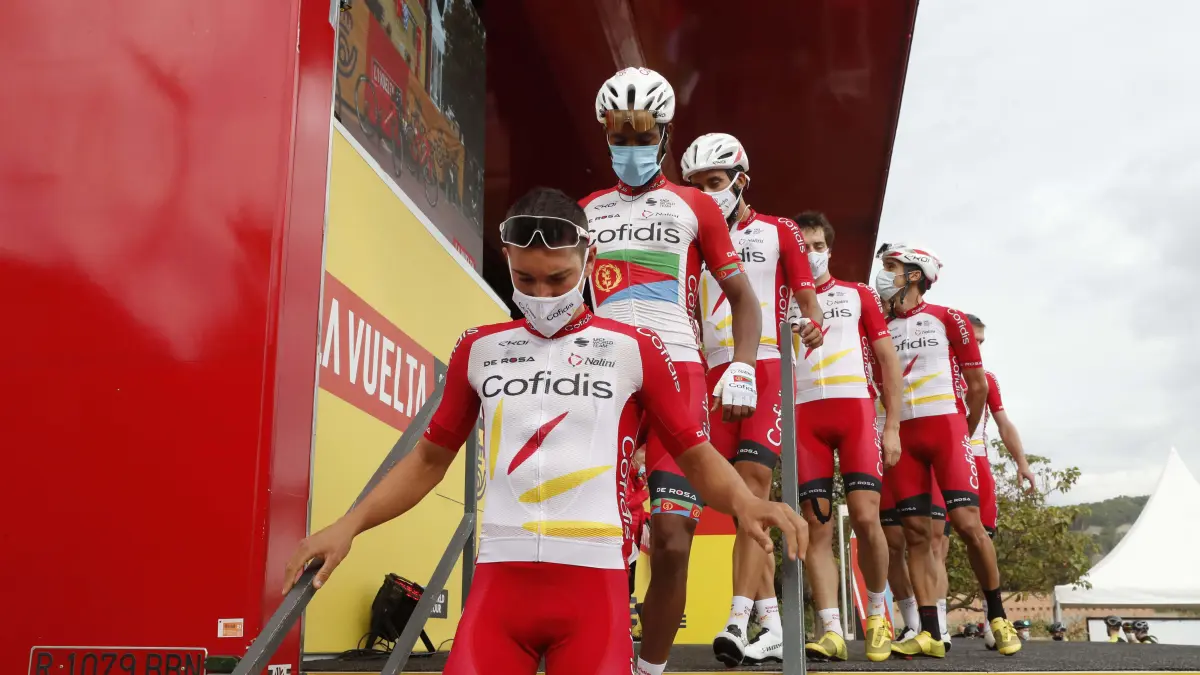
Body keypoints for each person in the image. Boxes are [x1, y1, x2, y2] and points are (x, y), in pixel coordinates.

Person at [281, 188, 808, 675]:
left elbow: (693, 452)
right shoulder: (479, 349)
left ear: (590, 263)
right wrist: (349, 525)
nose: (541, 294)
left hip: (593, 595)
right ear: (508, 261)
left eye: (558, 279)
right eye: (525, 279)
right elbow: (426, 461)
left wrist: (745, 502)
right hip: (498, 592)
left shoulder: (635, 348)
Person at [581, 68, 768, 675]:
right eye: (620, 136)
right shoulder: (585, 211)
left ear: (663, 136)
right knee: (598, 531)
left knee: (671, 539)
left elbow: (743, 299)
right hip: (605, 375)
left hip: (679, 375)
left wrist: (742, 366)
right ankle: (603, 657)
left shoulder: (695, 205)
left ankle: (651, 669)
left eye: (643, 136)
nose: (630, 147)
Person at [678, 133, 825, 667]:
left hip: (764, 365)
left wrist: (812, 326)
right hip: (710, 371)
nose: (706, 193)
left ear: (741, 180)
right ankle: (773, 624)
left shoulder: (779, 230)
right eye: (697, 185)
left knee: (755, 484)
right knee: (732, 498)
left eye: (715, 182)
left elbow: (809, 300)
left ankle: (737, 620)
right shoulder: (690, 237)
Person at [873, 242, 1022, 657]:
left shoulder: (948, 317)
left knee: (969, 525)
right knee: (917, 534)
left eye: (891, 266)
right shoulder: (879, 325)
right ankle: (931, 631)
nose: (883, 274)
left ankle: (998, 617)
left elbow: (978, 386)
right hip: (903, 435)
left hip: (946, 430)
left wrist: (964, 433)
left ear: (914, 275)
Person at [776, 212, 902, 663]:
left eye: (817, 246)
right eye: (802, 247)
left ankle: (877, 614)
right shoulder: (782, 300)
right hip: (804, 417)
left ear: (829, 249)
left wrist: (891, 425)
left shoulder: (857, 294)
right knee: (817, 526)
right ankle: (831, 628)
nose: (810, 254)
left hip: (855, 412)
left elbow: (888, 360)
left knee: (866, 518)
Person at [964, 314, 1038, 648]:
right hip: (940, 458)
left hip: (977, 461)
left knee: (983, 541)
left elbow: (1004, 422)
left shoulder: (987, 378)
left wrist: (1022, 463)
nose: (978, 348)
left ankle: (992, 620)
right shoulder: (935, 371)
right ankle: (933, 624)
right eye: (973, 340)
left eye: (982, 342)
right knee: (936, 540)